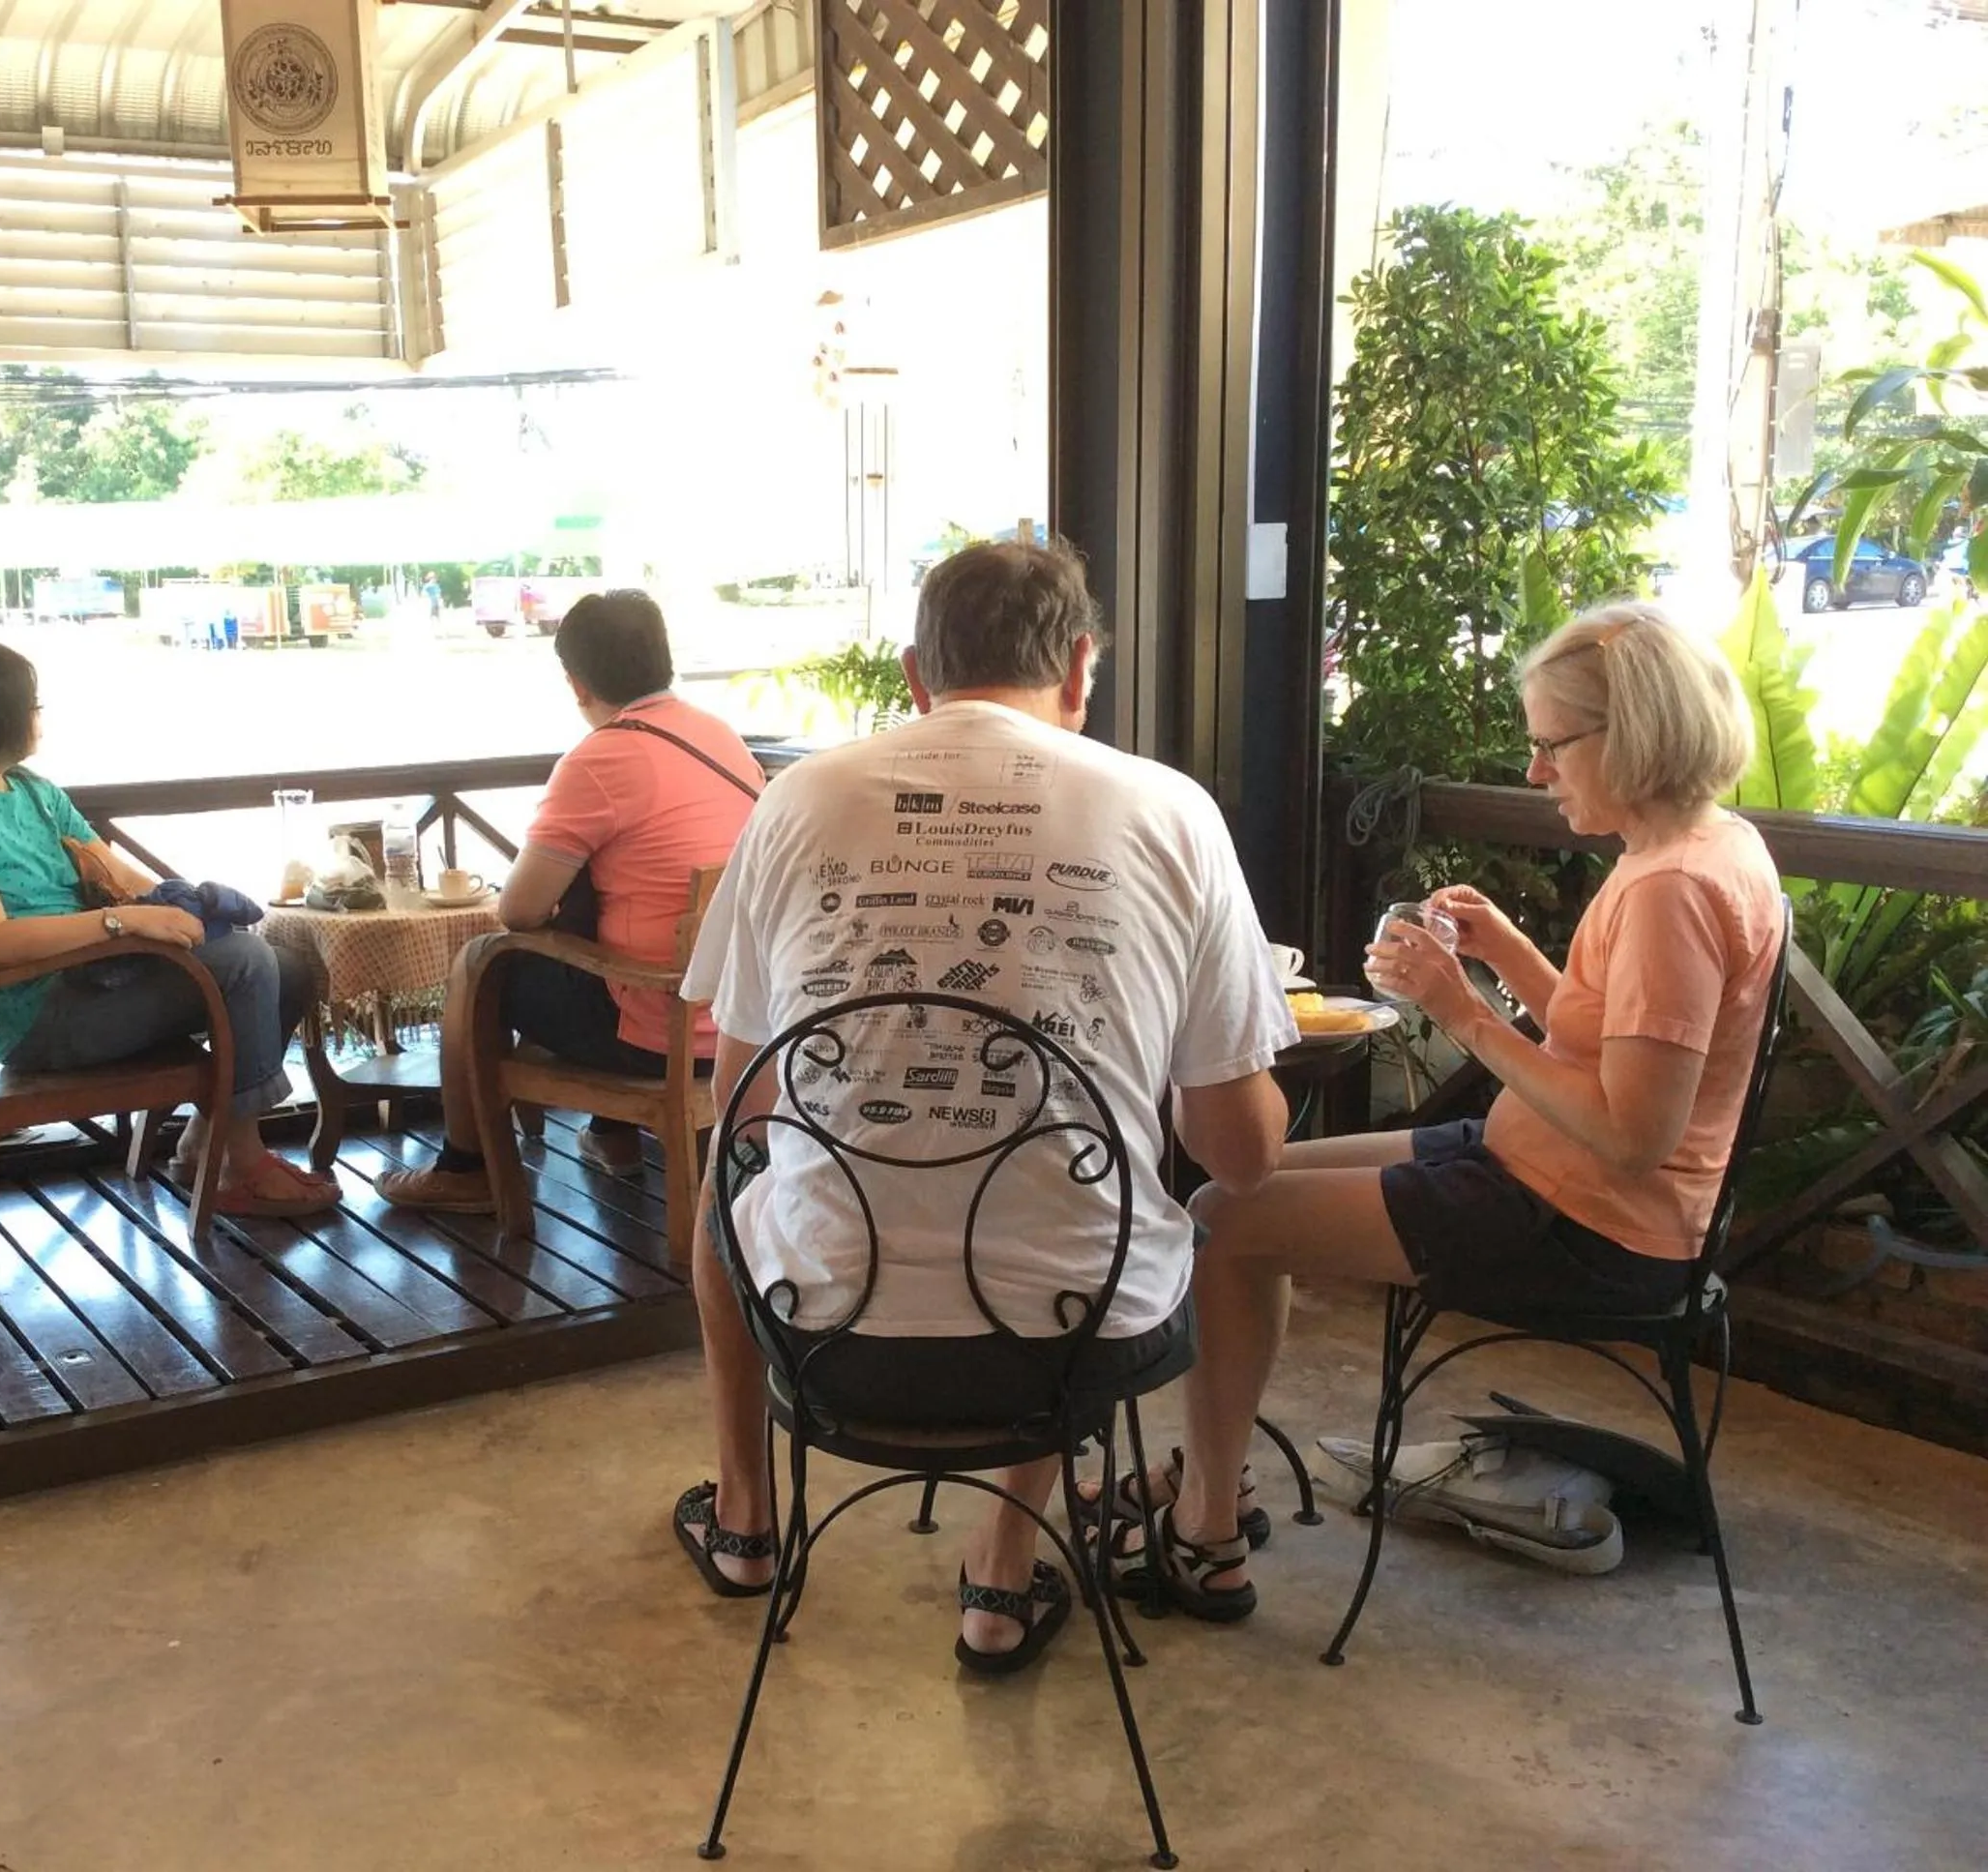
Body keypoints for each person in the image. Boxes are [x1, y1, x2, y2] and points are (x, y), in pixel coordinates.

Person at [671, 539, 1294, 1672]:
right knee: (1069, 1223)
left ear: (916, 674)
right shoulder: (1176, 813)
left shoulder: (797, 797)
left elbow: (747, 1105)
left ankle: (748, 1523)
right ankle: (1003, 1572)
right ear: (1083, 667)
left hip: (825, 1333)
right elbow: (1240, 1158)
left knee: (726, 1176)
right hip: (1074, 1346)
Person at [1157, 601, 1786, 1623]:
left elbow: (1636, 1134)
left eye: (1550, 746)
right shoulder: (1709, 847)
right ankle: (1213, 1465)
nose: (1537, 773)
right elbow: (1607, 1038)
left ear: (1630, 737)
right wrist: (1504, 960)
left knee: (1226, 1223)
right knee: (1247, 1172)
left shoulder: (1670, 890)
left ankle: (1206, 1520)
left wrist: (1458, 1011)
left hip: (1591, 1225)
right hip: (1544, 1172)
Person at [0, 639, 335, 1217]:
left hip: (93, 983)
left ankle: (207, 1140)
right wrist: (120, 921)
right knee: (248, 963)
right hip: (40, 1013)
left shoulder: (31, 791)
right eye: (31, 703)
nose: (37, 717)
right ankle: (243, 1161)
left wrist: (183, 908)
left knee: (287, 966)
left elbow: (120, 876)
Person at [378, 590, 761, 1211]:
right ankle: (612, 1137)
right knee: (615, 929)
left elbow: (520, 912)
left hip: (664, 1031)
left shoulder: (602, 757)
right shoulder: (719, 737)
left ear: (576, 683)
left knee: (477, 967)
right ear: (663, 659)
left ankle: (466, 1166)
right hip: (745, 1017)